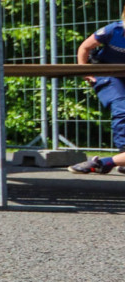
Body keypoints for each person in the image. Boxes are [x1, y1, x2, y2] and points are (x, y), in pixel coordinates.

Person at [71, 6, 125, 175]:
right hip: (105, 72)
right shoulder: (112, 30)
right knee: (122, 108)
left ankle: (117, 161)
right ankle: (121, 154)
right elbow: (84, 48)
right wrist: (84, 70)